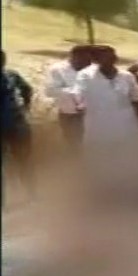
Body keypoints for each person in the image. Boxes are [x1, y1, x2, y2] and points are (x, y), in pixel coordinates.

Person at [73, 45, 138, 147]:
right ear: (95, 60)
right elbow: (79, 92)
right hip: (99, 124)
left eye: (112, 57)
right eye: (104, 58)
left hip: (125, 123)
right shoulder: (86, 75)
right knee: (101, 154)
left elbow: (135, 99)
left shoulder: (127, 76)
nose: (110, 60)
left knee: (129, 153)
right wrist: (80, 104)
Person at [1, 50, 36, 203]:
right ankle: (31, 194)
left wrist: (26, 106)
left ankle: (31, 194)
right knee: (24, 160)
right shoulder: (11, 75)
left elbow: (27, 90)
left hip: (16, 123)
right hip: (17, 122)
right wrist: (25, 107)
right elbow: (27, 90)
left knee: (24, 160)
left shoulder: (11, 76)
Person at [44, 45, 93, 153]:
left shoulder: (93, 69)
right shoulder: (57, 70)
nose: (88, 63)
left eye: (90, 60)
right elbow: (50, 91)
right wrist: (75, 91)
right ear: (74, 56)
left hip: (93, 115)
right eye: (85, 60)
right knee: (74, 144)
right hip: (70, 115)